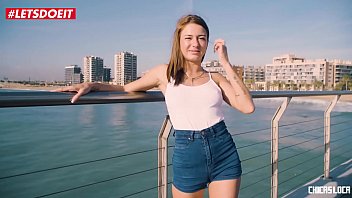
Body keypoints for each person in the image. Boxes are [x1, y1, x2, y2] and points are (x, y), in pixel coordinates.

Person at [56, 14, 254, 198]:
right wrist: (92, 85)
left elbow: (247, 107)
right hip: (187, 153)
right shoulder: (164, 73)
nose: (195, 43)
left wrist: (225, 62)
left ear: (207, 43)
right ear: (178, 41)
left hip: (223, 151)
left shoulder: (215, 78)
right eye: (189, 38)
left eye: (201, 38)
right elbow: (125, 88)